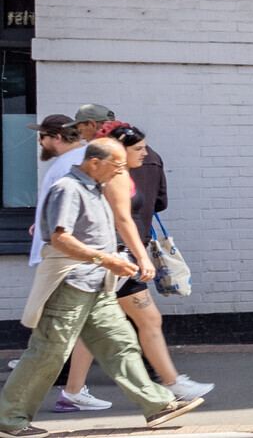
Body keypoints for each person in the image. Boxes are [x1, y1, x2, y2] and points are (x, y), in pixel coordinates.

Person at [0, 139, 204, 435]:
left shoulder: (94, 188)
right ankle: (10, 417)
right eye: (118, 165)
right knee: (49, 353)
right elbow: (60, 238)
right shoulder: (68, 189)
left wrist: (111, 263)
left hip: (98, 285)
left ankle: (157, 404)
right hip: (69, 284)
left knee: (121, 345)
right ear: (95, 163)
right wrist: (107, 259)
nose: (122, 172)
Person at [101, 125, 211, 402]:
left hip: (116, 258)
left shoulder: (121, 174)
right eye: (138, 148)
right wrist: (139, 257)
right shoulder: (115, 176)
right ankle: (169, 384)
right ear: (119, 150)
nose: (146, 153)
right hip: (118, 259)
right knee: (148, 320)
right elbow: (122, 220)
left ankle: (72, 393)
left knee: (87, 334)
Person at [16, 118, 100, 411]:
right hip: (69, 257)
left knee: (62, 333)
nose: (39, 142)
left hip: (66, 259)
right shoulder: (71, 161)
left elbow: (76, 213)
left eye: (42, 137)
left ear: (56, 136)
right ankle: (67, 391)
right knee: (65, 332)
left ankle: (36, 397)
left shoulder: (69, 165)